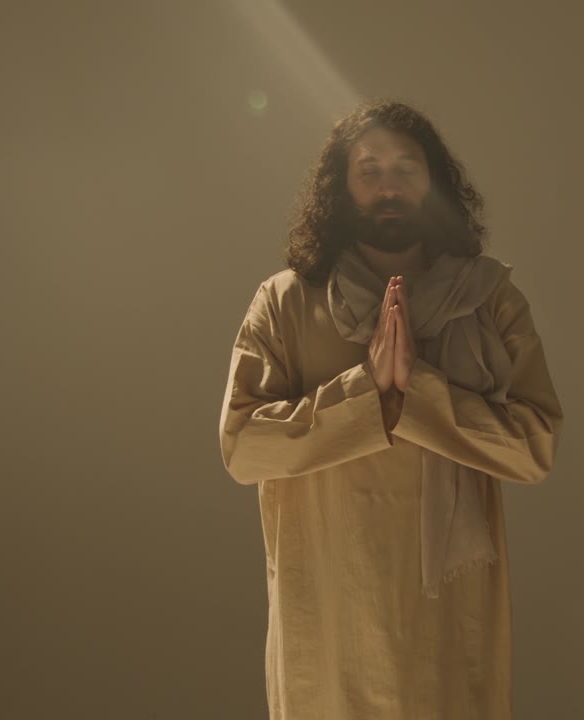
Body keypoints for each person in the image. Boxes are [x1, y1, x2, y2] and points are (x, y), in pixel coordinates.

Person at [219, 99, 564, 720]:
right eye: (369, 170)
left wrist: (417, 391)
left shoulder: (488, 298)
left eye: (406, 169)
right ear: (341, 187)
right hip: (328, 625)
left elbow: (534, 448)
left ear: (433, 184)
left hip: (446, 629)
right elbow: (243, 447)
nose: (388, 187)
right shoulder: (285, 301)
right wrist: (368, 392)